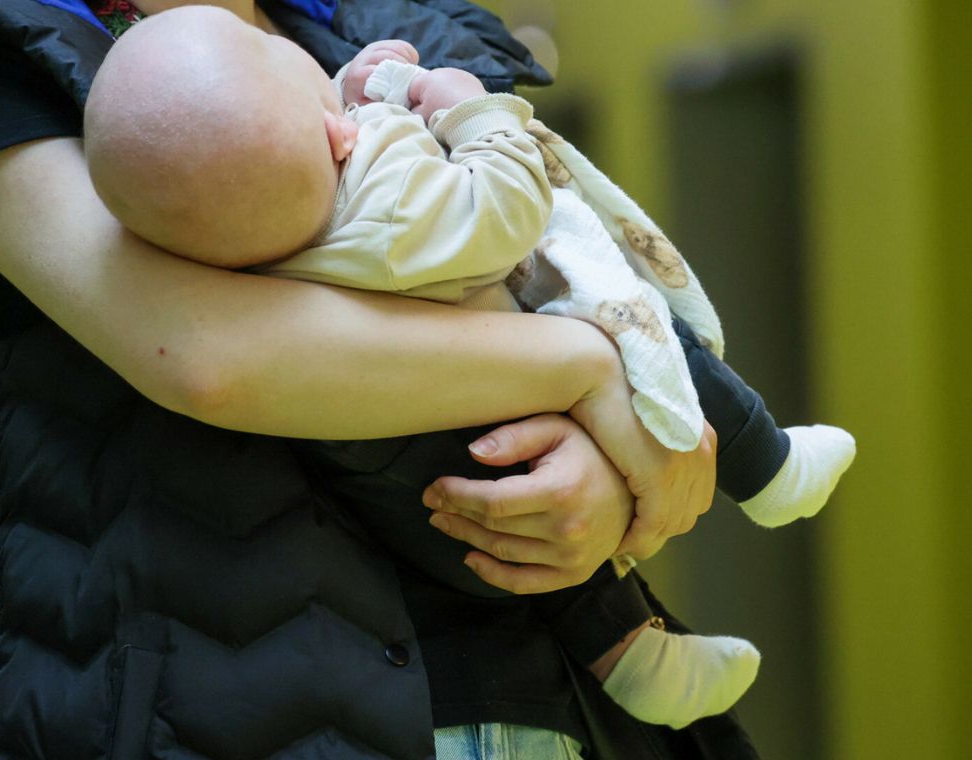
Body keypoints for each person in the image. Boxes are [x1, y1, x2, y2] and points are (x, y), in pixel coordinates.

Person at [0, 0, 758, 756]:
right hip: (199, 710)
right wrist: (594, 367)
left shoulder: (371, 27)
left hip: (536, 696)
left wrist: (600, 475)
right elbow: (204, 352)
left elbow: (540, 258)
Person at [82, 5, 854, 729]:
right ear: (336, 137)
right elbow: (499, 211)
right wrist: (472, 113)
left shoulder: (266, 237)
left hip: (404, 488)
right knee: (651, 343)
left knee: (532, 557)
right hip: (422, 642)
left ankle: (636, 654)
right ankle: (769, 464)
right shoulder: (382, 202)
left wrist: (353, 88)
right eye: (277, 65)